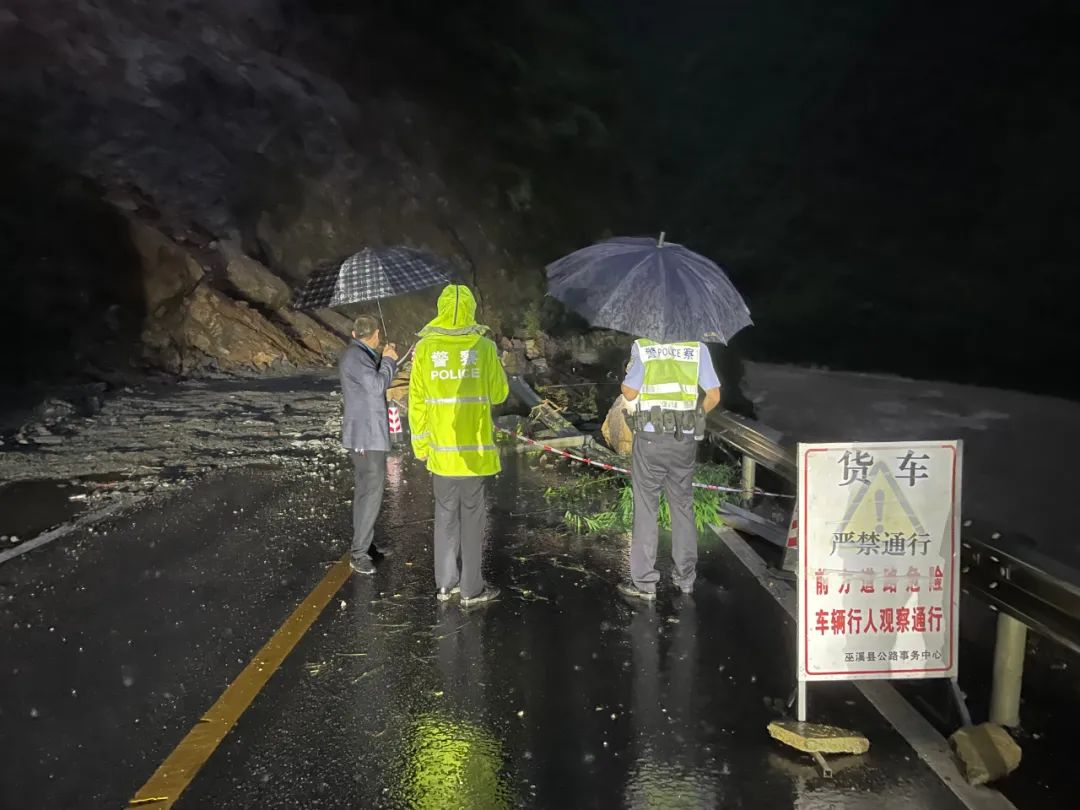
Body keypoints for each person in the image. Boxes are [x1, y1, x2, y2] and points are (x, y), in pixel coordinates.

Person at [409, 285, 508, 605]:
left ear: (439, 308)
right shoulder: (484, 346)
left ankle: (445, 585)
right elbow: (499, 394)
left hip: (441, 455)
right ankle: (471, 589)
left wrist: (420, 445)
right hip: (474, 455)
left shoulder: (425, 349)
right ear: (470, 309)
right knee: (472, 520)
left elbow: (417, 403)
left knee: (445, 517)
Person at [619, 338, 721, 599]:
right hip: (684, 439)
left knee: (646, 508)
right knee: (683, 507)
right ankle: (686, 579)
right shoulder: (698, 349)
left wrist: (629, 371)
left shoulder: (644, 347)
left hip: (651, 439)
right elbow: (714, 395)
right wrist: (695, 414)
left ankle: (645, 584)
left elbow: (629, 393)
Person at [340, 314, 399, 575]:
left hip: (367, 435)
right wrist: (387, 360)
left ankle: (365, 543)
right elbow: (376, 386)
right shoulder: (356, 356)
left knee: (366, 492)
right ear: (375, 335)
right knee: (370, 492)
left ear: (355, 334)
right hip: (365, 437)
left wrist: (386, 360)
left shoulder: (359, 354)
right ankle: (359, 553)